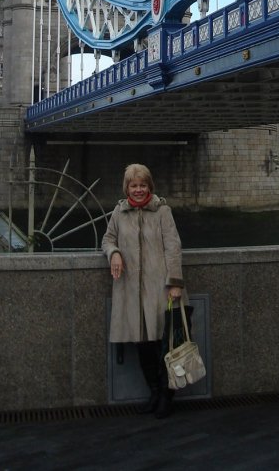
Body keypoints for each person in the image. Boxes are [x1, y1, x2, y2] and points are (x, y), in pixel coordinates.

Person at [102, 163, 186, 418]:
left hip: (160, 288)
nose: (138, 190)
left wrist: (174, 283)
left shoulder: (162, 212)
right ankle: (153, 391)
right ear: (126, 188)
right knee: (143, 345)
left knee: (166, 345)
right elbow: (108, 239)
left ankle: (166, 394)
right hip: (132, 292)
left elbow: (173, 247)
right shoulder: (119, 212)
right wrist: (114, 253)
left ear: (150, 187)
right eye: (133, 185)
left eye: (142, 185)